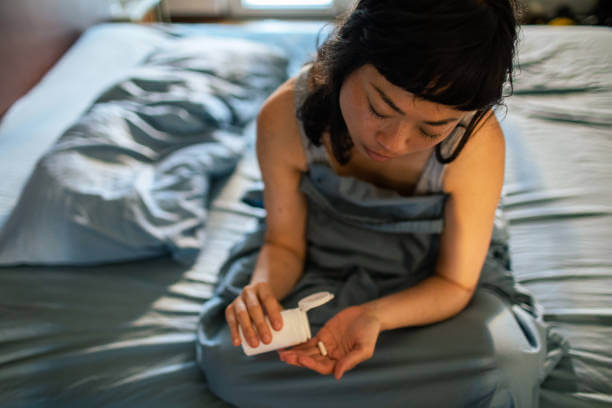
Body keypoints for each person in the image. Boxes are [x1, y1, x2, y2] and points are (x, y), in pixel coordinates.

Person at [196, 1, 561, 407]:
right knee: (228, 358)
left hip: (425, 283)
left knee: (504, 370)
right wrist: (260, 292)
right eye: (380, 108)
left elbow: (455, 283)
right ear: (345, 58)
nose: (393, 142)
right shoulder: (285, 114)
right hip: (314, 258)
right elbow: (284, 244)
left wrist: (374, 317)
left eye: (431, 127)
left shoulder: (475, 144)